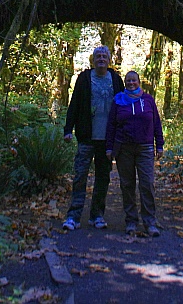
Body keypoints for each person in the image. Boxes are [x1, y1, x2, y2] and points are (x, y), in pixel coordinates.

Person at [62, 45, 124, 231]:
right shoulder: (84, 78)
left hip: (107, 140)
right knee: (80, 175)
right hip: (86, 137)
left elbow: (124, 106)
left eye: (104, 56)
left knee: (103, 177)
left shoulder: (115, 79)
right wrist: (68, 129)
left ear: (109, 59)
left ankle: (97, 215)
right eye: (98, 56)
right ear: (93, 59)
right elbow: (74, 104)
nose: (101, 59)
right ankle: (73, 216)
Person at [106, 70, 164, 237]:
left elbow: (156, 123)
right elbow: (111, 125)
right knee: (127, 184)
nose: (131, 83)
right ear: (125, 83)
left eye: (134, 80)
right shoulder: (118, 101)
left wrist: (159, 145)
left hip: (145, 147)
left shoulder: (148, 100)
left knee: (147, 184)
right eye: (128, 81)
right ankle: (131, 221)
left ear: (139, 82)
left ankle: (150, 222)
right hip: (124, 148)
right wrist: (109, 148)